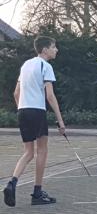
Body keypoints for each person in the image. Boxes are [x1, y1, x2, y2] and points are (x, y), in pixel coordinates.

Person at [3, 36, 66, 207]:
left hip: (22, 111)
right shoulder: (46, 66)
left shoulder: (25, 65)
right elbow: (50, 96)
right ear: (45, 50)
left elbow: (16, 93)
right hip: (37, 111)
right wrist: (60, 121)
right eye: (54, 46)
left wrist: (22, 109)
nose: (56, 50)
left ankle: (12, 183)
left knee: (28, 152)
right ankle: (37, 192)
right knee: (42, 151)